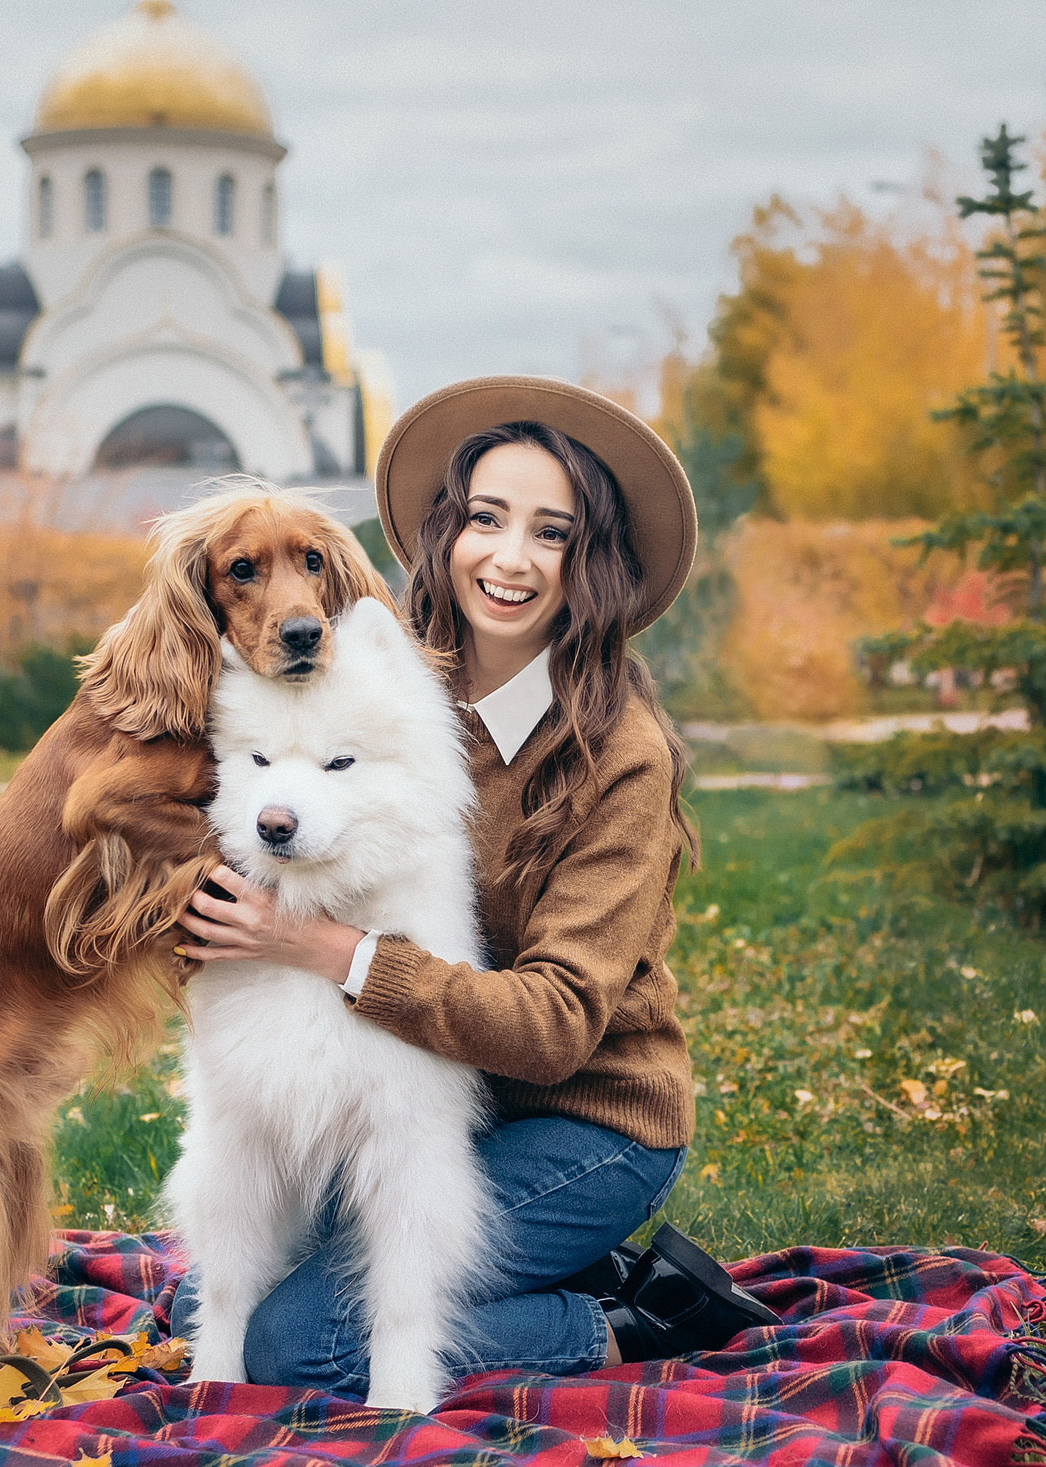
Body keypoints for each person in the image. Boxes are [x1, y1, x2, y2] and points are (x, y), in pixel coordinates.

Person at [175, 374, 772, 1400]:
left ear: (590, 563)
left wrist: (319, 949)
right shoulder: (365, 672)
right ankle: (542, 1266)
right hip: (419, 1093)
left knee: (300, 1347)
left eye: (550, 533)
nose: (508, 557)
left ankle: (631, 1316)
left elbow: (553, 1026)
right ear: (446, 530)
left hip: (582, 1118)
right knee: (230, 1285)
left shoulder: (618, 756)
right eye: (487, 518)